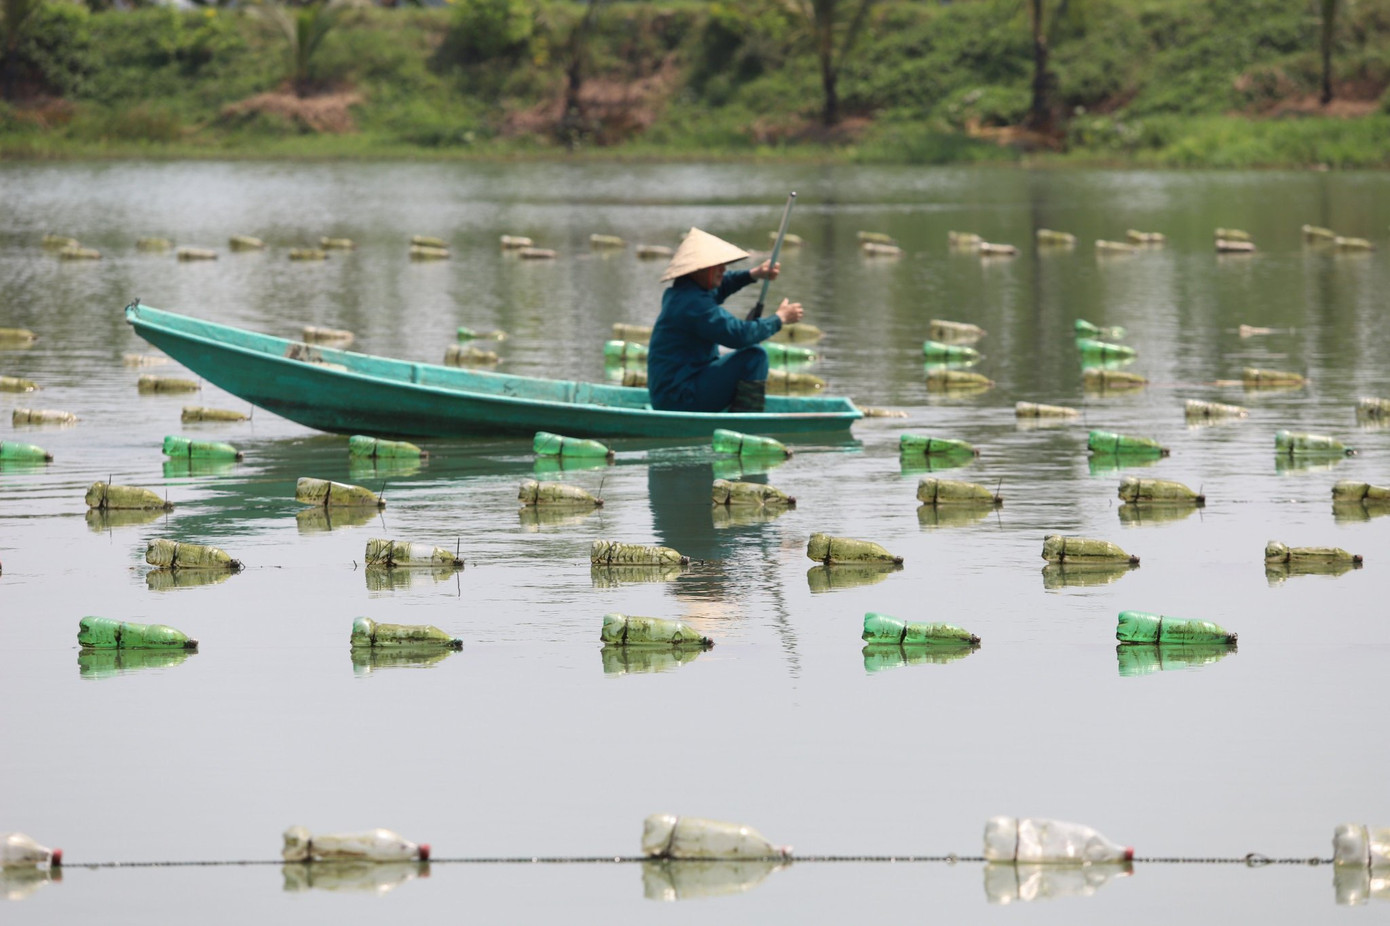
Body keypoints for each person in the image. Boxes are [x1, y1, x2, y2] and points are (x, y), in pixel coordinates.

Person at [646, 227, 804, 413]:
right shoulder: (694, 305)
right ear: (699, 270)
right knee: (754, 357)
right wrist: (779, 319)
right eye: (717, 265)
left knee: (749, 353)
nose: (723, 269)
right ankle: (743, 421)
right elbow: (738, 335)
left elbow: (720, 286)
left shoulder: (683, 293)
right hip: (679, 398)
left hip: (674, 392)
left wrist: (753, 274)